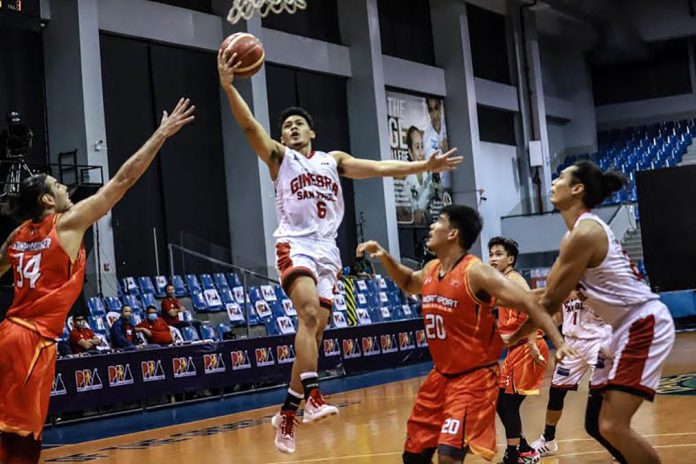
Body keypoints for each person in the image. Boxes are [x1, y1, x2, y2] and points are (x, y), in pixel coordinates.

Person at [217, 49, 463, 454]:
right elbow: (248, 126)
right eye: (286, 126)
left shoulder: (334, 161)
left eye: (298, 124)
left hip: (328, 251)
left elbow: (381, 168)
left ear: (311, 132)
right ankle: (313, 396)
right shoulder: (281, 159)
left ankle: (287, 414)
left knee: (314, 332)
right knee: (309, 314)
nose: (292, 128)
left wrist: (423, 167)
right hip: (295, 243)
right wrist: (229, 87)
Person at [0, 98, 193, 464]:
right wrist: (160, 135)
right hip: (31, 342)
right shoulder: (67, 224)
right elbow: (122, 181)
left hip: (9, 334)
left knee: (10, 434)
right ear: (46, 200)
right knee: (23, 442)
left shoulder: (18, 235)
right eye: (58, 186)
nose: (66, 189)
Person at [356, 205, 573, 464]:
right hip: (440, 376)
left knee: (450, 455)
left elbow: (529, 303)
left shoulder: (476, 272)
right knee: (413, 455)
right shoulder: (432, 269)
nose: (431, 227)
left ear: (453, 234)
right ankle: (520, 447)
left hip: (473, 379)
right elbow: (408, 282)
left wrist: (556, 341)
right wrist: (384, 257)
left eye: (439, 223)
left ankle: (517, 450)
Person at [507, 160, 675, 464]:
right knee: (595, 423)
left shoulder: (585, 233)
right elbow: (545, 293)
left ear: (577, 189)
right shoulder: (573, 236)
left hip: (642, 322)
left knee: (612, 425)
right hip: (619, 330)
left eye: (560, 178)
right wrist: (498, 298)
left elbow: (548, 304)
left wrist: (508, 339)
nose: (553, 182)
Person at [488, 236, 547, 464]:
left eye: (499, 254)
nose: (493, 258)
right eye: (491, 254)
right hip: (516, 349)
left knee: (508, 404)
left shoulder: (515, 280)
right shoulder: (501, 281)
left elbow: (534, 309)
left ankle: (514, 456)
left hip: (527, 346)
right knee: (501, 402)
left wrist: (532, 343)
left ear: (510, 259)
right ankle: (524, 449)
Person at [531, 291, 612, 457]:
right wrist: (541, 330)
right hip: (571, 343)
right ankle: (548, 440)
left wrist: (583, 295)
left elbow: (606, 309)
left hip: (597, 342)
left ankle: (615, 442)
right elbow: (560, 316)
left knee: (603, 394)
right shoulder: (566, 283)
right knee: (556, 392)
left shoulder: (592, 282)